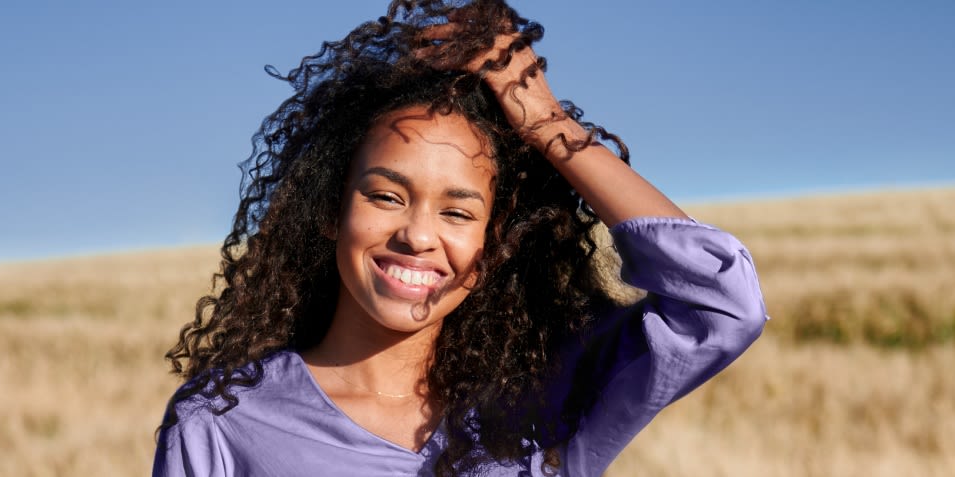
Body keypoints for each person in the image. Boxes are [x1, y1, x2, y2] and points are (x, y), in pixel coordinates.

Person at [153, 1, 768, 475]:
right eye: (386, 196)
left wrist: (547, 126)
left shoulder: (546, 403)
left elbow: (721, 305)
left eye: (458, 213)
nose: (418, 234)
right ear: (330, 210)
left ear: (495, 243)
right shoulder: (224, 421)